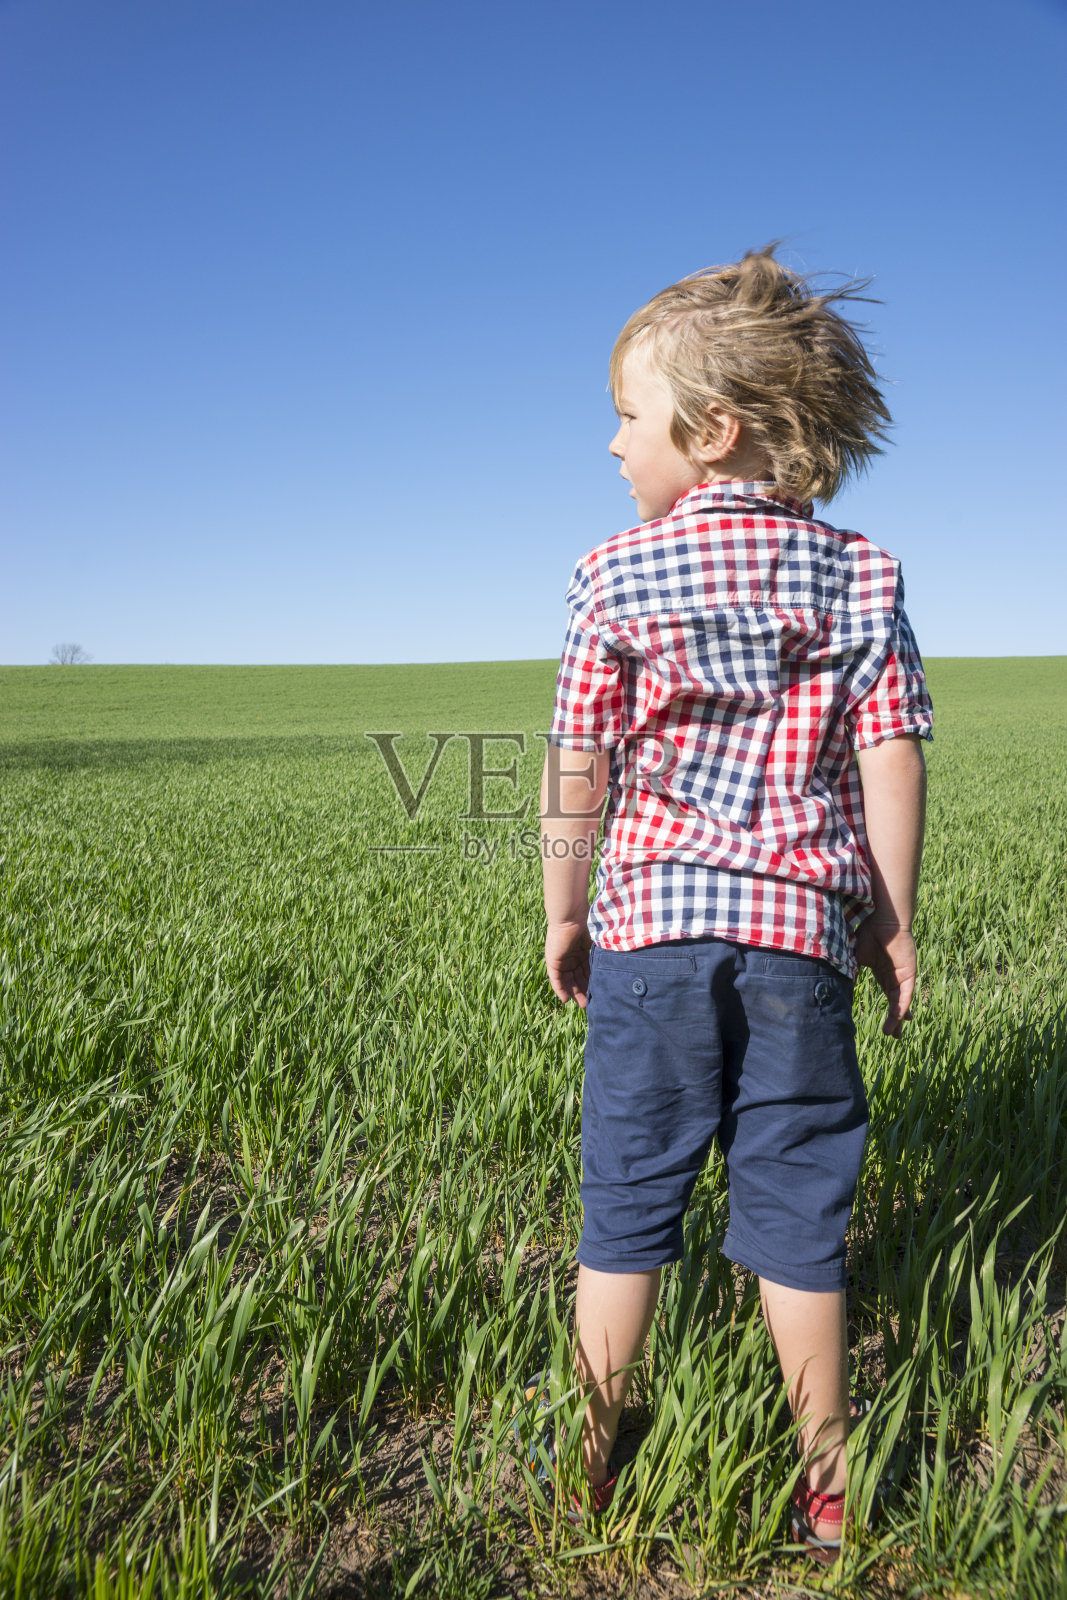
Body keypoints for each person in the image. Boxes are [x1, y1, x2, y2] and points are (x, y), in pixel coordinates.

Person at [539, 246, 931, 1555]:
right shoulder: (863, 576)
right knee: (798, 1202)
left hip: (652, 936)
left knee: (628, 1200)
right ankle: (829, 1478)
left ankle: (586, 1460)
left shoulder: (614, 575)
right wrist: (892, 917)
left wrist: (565, 906)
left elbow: (578, 763)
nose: (610, 446)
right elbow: (891, 755)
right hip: (801, 942)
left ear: (710, 435)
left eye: (628, 418)